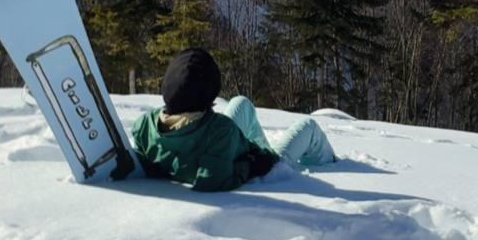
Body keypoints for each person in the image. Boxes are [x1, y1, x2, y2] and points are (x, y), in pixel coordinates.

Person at [131, 48, 335, 191]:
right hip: (266, 166)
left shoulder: (145, 125)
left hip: (219, 145)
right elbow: (213, 180)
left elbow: (149, 161)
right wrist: (251, 163)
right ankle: (332, 164)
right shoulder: (219, 129)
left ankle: (256, 145)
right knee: (308, 126)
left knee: (241, 102)